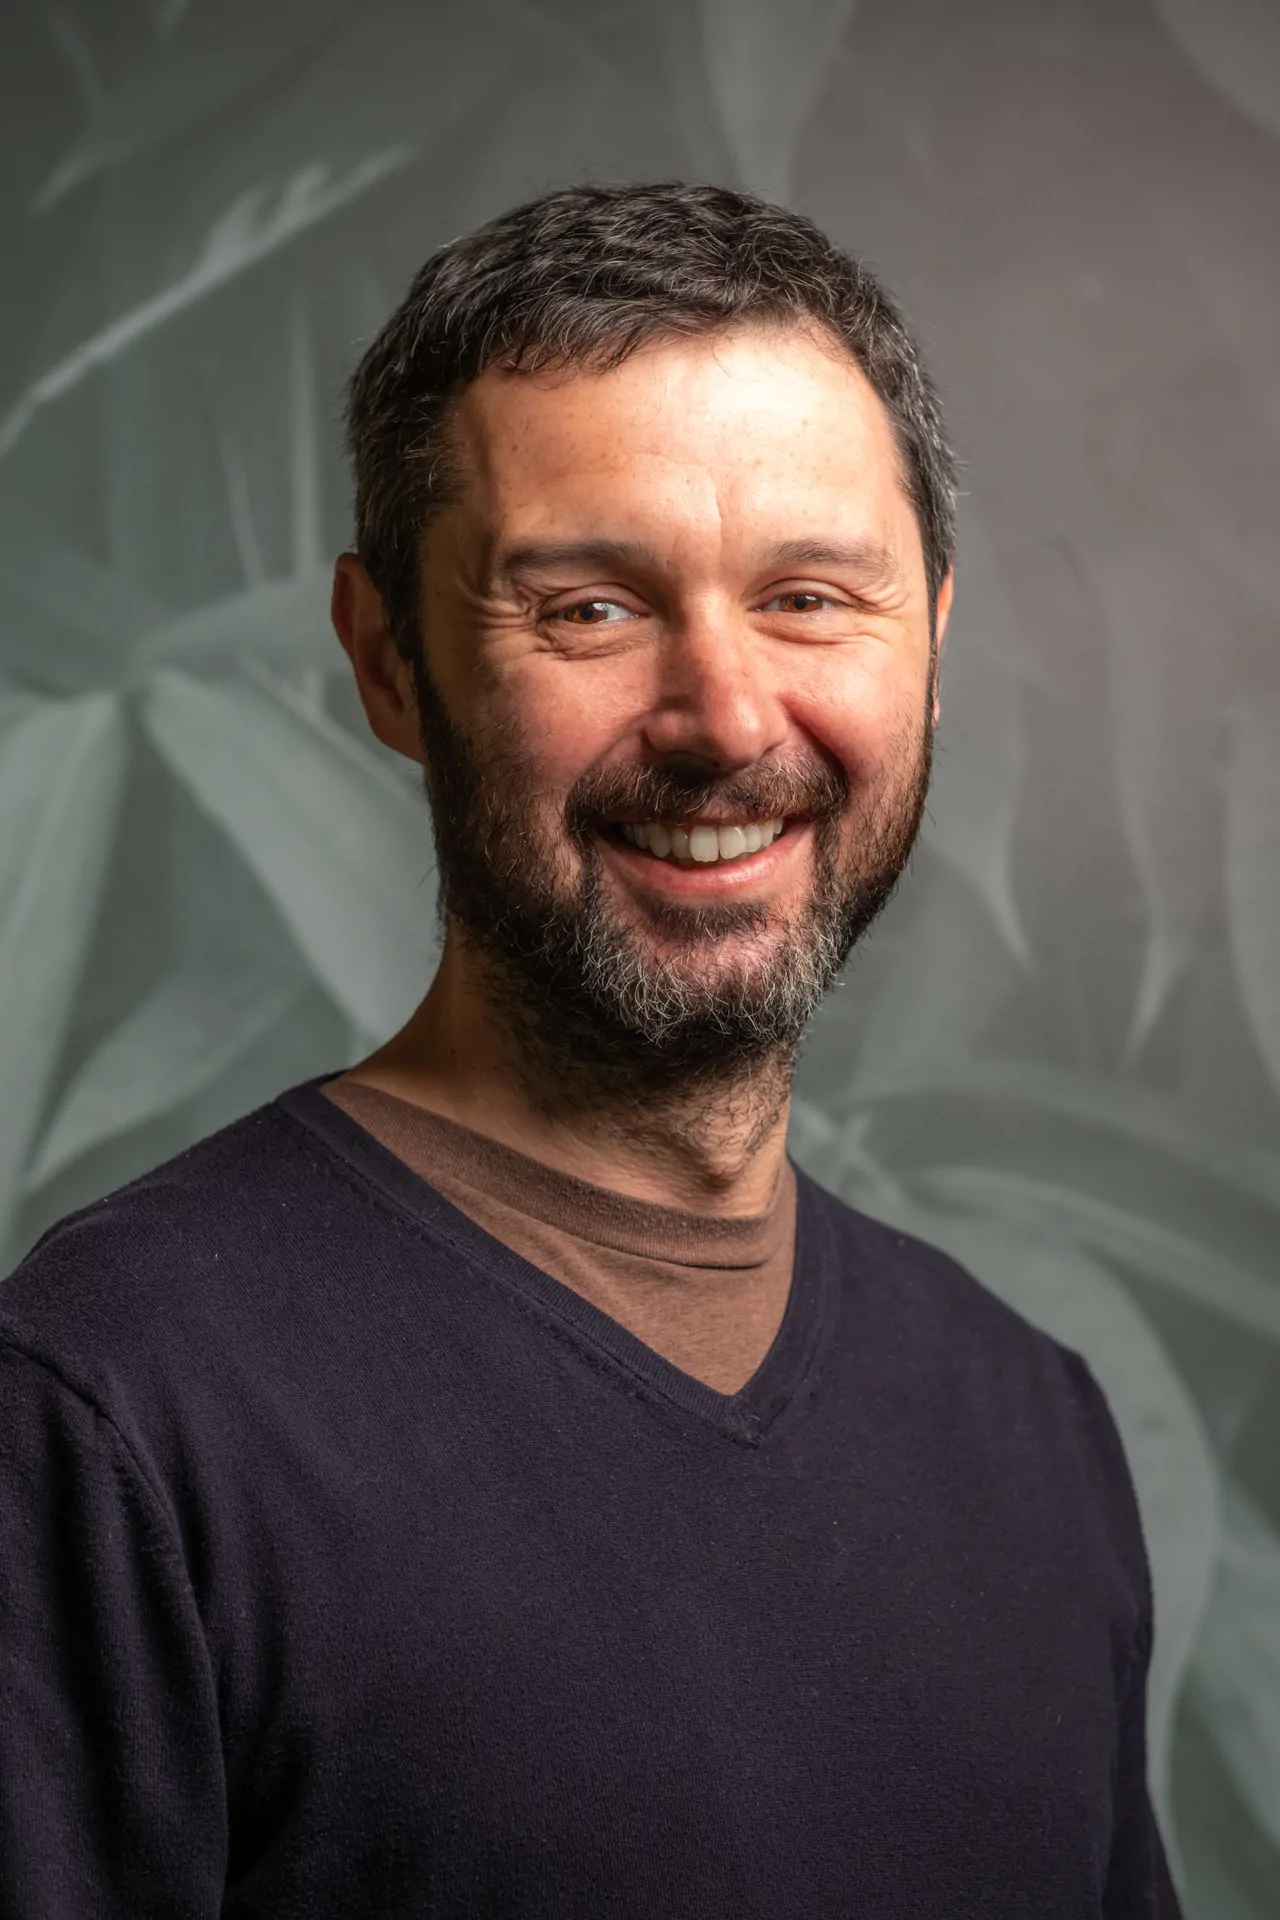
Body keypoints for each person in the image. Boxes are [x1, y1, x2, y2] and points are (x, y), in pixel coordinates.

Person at [0, 183, 1180, 1917]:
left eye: (808, 597)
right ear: (387, 660)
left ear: (930, 635)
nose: (723, 716)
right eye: (592, 610)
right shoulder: (110, 1418)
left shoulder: (1031, 1430)